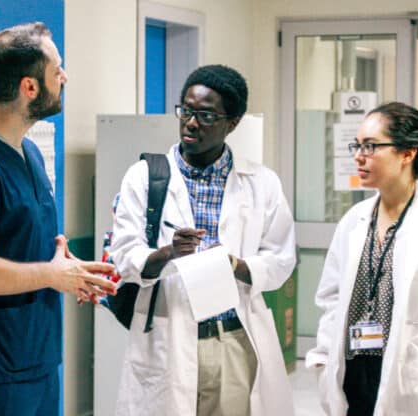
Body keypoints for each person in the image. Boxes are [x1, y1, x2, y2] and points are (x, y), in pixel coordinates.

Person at [0, 22, 116, 416]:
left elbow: (27, 251)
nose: (64, 77)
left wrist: (69, 270)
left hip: (34, 358)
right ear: (29, 87)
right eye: (57, 70)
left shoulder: (29, 154)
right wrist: (51, 276)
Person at [110, 64, 297, 416]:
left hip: (231, 337)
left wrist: (238, 266)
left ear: (233, 123)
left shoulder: (261, 182)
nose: (191, 123)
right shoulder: (145, 177)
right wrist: (168, 253)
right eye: (186, 110)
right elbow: (124, 256)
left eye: (206, 115)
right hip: (168, 336)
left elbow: (282, 258)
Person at [306, 102, 418, 416]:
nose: (358, 156)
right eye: (357, 145)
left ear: (408, 153)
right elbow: (331, 296)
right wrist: (325, 359)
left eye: (371, 146)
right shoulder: (355, 220)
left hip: (409, 379)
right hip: (352, 371)